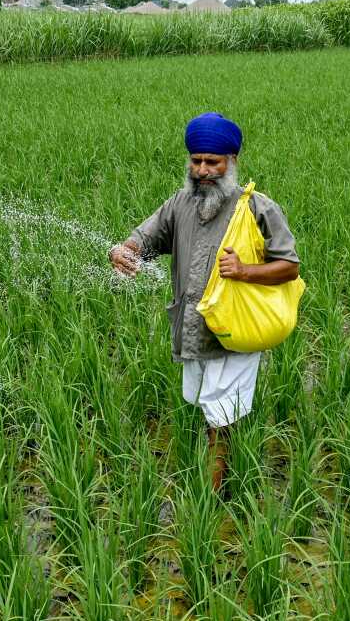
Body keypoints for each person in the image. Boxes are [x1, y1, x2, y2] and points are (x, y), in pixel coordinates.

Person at [109, 112, 301, 491]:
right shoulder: (180, 203)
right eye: (196, 161)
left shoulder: (258, 208)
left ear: (232, 162)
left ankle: (211, 497)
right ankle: (215, 468)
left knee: (220, 417)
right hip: (193, 326)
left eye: (212, 162)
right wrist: (126, 251)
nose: (202, 170)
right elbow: (146, 239)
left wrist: (245, 271)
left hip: (235, 330)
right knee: (203, 404)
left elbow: (289, 267)